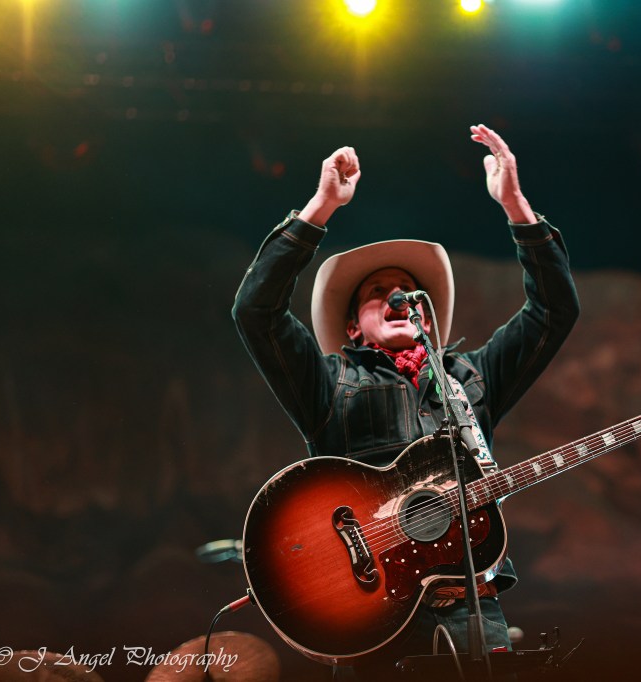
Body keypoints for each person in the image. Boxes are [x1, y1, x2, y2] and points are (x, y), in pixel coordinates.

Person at [232, 124, 580, 679]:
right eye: (377, 293)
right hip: (371, 609)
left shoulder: (472, 377)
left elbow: (554, 312)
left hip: (473, 604)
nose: (394, 297)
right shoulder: (330, 381)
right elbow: (255, 312)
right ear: (352, 325)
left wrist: (516, 206)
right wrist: (319, 208)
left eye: (403, 290)